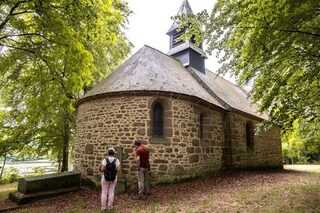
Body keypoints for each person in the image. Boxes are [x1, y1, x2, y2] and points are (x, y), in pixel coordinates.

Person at [99, 147, 120, 211]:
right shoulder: (116, 160)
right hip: (113, 178)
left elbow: (102, 169)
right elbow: (118, 169)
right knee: (111, 191)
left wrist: (106, 168)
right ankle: (110, 206)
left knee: (104, 192)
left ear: (108, 153)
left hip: (105, 177)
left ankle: (103, 207)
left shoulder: (105, 160)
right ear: (114, 153)